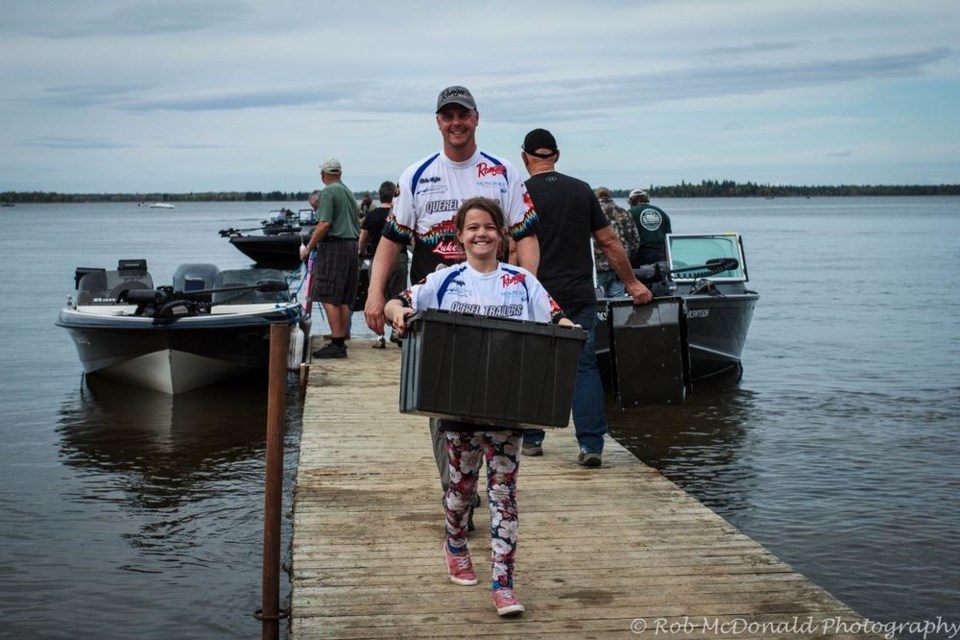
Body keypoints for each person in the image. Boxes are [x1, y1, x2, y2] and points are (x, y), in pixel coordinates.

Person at [384, 197, 572, 617]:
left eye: (489, 226)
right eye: (472, 228)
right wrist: (399, 312)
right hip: (458, 404)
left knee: (504, 495)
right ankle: (455, 543)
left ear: (502, 233)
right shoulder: (444, 280)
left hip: (508, 405)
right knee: (462, 491)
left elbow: (556, 316)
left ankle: (503, 585)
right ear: (459, 235)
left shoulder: (522, 281)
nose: (481, 234)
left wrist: (566, 326)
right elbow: (398, 301)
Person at [364, 85, 541, 496]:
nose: (456, 123)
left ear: (476, 119)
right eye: (448, 116)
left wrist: (530, 290)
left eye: (464, 115)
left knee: (497, 395)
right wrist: (375, 296)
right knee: (439, 402)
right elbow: (391, 240)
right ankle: (457, 489)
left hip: (497, 308)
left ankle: (495, 480)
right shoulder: (417, 175)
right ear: (438, 122)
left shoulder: (502, 173)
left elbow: (527, 237)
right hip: (436, 311)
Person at [519, 128, 652, 466]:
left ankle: (532, 439)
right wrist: (633, 283)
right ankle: (591, 445)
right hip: (579, 293)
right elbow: (608, 242)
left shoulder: (519, 192)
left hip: (536, 295)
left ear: (525, 158)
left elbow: (509, 247)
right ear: (557, 156)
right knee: (584, 364)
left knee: (536, 364)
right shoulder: (581, 191)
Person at [299, 159, 361, 359]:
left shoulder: (327, 192)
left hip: (334, 247)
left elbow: (325, 223)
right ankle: (340, 340)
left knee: (327, 294)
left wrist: (309, 247)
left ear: (323, 175)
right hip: (352, 247)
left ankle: (336, 342)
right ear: (340, 174)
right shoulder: (349, 193)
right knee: (343, 296)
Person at [358, 181, 407, 348]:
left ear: (379, 196)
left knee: (379, 297)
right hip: (400, 259)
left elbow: (363, 238)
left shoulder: (373, 215)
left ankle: (380, 337)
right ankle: (398, 332)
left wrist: (362, 251)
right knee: (399, 296)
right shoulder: (400, 213)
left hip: (377, 261)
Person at [593, 186, 640, 298]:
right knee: (617, 305)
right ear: (610, 196)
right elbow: (636, 241)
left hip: (598, 268)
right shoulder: (625, 213)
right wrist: (626, 260)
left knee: (599, 306)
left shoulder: (592, 213)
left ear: (596, 197)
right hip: (620, 268)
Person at [628, 188, 672, 266]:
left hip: (640, 255)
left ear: (632, 201)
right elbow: (669, 237)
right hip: (659, 254)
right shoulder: (661, 212)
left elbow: (627, 237)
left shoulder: (630, 213)